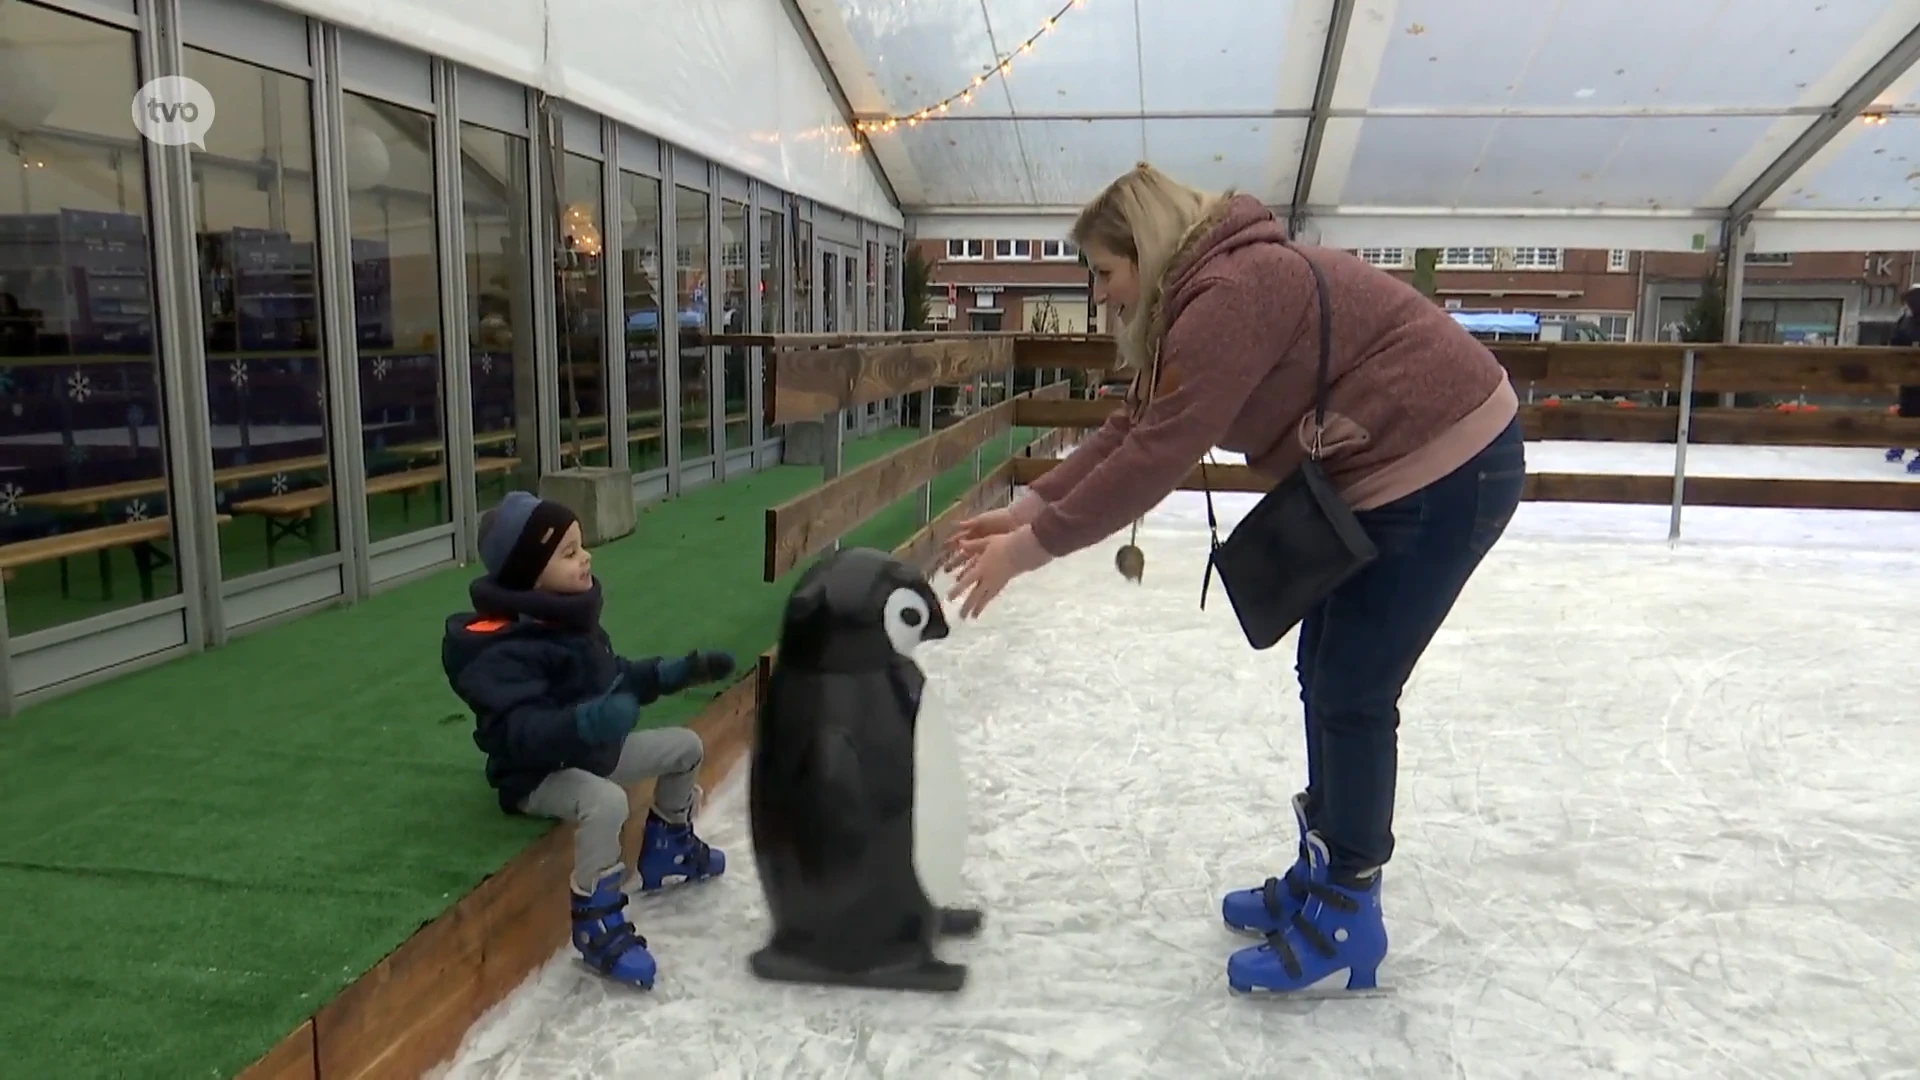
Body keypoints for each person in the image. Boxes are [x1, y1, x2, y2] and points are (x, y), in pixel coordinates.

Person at [942, 163, 1527, 995]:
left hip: (1448, 463)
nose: (1104, 295)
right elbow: (1135, 423)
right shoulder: (1201, 295)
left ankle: (1347, 913)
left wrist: (1033, 550)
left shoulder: (1230, 296)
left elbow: (1154, 458)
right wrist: (1031, 507)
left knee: (1354, 685)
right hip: (1385, 468)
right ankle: (1324, 872)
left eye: (1106, 274)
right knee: (1323, 670)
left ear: (1144, 253)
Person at [442, 491, 735, 989]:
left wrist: (667, 674)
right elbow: (521, 731)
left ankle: (669, 848)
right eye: (570, 552)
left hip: (591, 750)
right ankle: (595, 922)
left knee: (686, 746)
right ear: (530, 572)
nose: (587, 558)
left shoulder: (565, 616)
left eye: (582, 546)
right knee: (606, 801)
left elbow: (610, 676)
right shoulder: (498, 647)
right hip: (536, 775)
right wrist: (587, 724)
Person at [1885, 285, 1920, 470]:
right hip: (1908, 375)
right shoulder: (1905, 320)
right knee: (1906, 408)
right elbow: (1895, 342)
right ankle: (1901, 441)